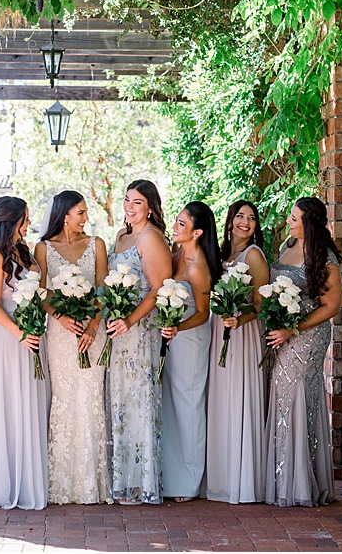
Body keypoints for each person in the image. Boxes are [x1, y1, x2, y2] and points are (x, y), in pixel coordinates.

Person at [263, 197, 342, 507]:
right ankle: (284, 476)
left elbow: (332, 306)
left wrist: (292, 329)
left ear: (309, 223)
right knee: (282, 396)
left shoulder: (325, 258)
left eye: (294, 219)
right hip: (284, 333)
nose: (289, 222)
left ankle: (300, 482)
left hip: (307, 336)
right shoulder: (287, 246)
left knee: (298, 397)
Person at [0, 197, 51, 510]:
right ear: (12, 220)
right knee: (13, 402)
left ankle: (31, 477)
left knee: (32, 400)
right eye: (25, 219)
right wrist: (21, 333)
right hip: (11, 337)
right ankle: (10, 481)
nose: (29, 224)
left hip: (33, 333)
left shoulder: (23, 251)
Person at [35, 191, 111, 505]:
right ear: (65, 214)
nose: (86, 218)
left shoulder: (97, 245)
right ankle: (60, 484)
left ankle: (92, 484)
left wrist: (93, 326)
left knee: (91, 396)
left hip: (93, 330)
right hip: (60, 332)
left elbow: (103, 288)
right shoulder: (43, 248)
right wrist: (61, 318)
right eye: (81, 212)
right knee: (64, 398)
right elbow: (40, 291)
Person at [106, 180, 173, 505]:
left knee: (139, 401)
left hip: (139, 329)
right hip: (115, 332)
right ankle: (123, 480)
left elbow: (160, 289)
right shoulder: (121, 237)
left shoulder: (151, 237)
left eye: (136, 203)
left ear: (150, 207)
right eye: (127, 201)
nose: (129, 208)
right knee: (120, 403)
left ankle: (142, 482)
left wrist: (129, 320)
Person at [206, 200, 270, 504]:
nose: (246, 222)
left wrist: (239, 319)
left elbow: (262, 304)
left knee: (240, 398)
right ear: (230, 220)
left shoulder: (253, 255)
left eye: (252, 218)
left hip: (243, 335)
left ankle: (243, 481)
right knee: (221, 401)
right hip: (220, 332)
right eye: (241, 216)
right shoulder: (219, 255)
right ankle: (221, 479)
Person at [160, 202, 220, 503]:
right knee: (171, 404)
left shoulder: (198, 266)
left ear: (197, 232)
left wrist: (177, 329)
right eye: (177, 220)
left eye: (182, 224)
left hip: (191, 337)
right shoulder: (174, 254)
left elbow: (202, 313)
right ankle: (172, 476)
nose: (176, 226)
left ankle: (190, 481)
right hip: (172, 336)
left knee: (189, 405)